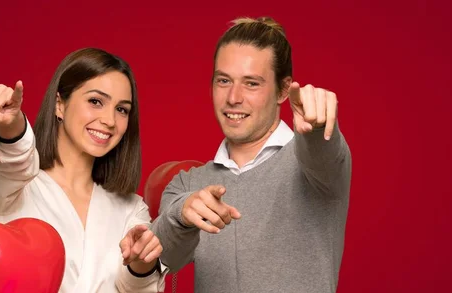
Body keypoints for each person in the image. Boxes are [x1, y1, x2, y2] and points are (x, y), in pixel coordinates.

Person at [150, 16, 352, 293]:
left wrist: (316, 130)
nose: (233, 97)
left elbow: (323, 155)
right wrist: (181, 215)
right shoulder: (187, 185)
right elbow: (158, 262)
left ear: (283, 90)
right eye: (223, 80)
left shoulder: (312, 167)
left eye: (251, 83)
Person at [0, 48, 167, 293]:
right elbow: (14, 161)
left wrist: (141, 263)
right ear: (59, 105)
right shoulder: (14, 190)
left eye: (122, 109)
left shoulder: (131, 209)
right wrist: (12, 124)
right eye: (96, 101)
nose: (110, 120)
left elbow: (140, 290)